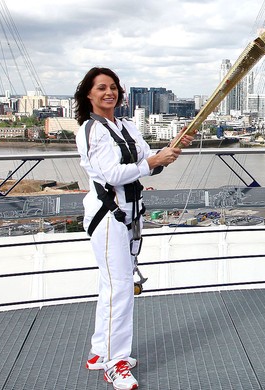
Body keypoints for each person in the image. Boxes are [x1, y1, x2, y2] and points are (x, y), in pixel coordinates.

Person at [74, 67, 194, 390]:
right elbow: (112, 173)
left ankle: (101, 350)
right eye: (101, 88)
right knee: (121, 288)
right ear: (89, 94)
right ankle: (116, 363)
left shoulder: (125, 126)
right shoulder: (90, 130)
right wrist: (154, 162)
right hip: (108, 216)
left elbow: (145, 166)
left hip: (128, 214)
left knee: (110, 284)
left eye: (113, 87)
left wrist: (169, 152)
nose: (109, 92)